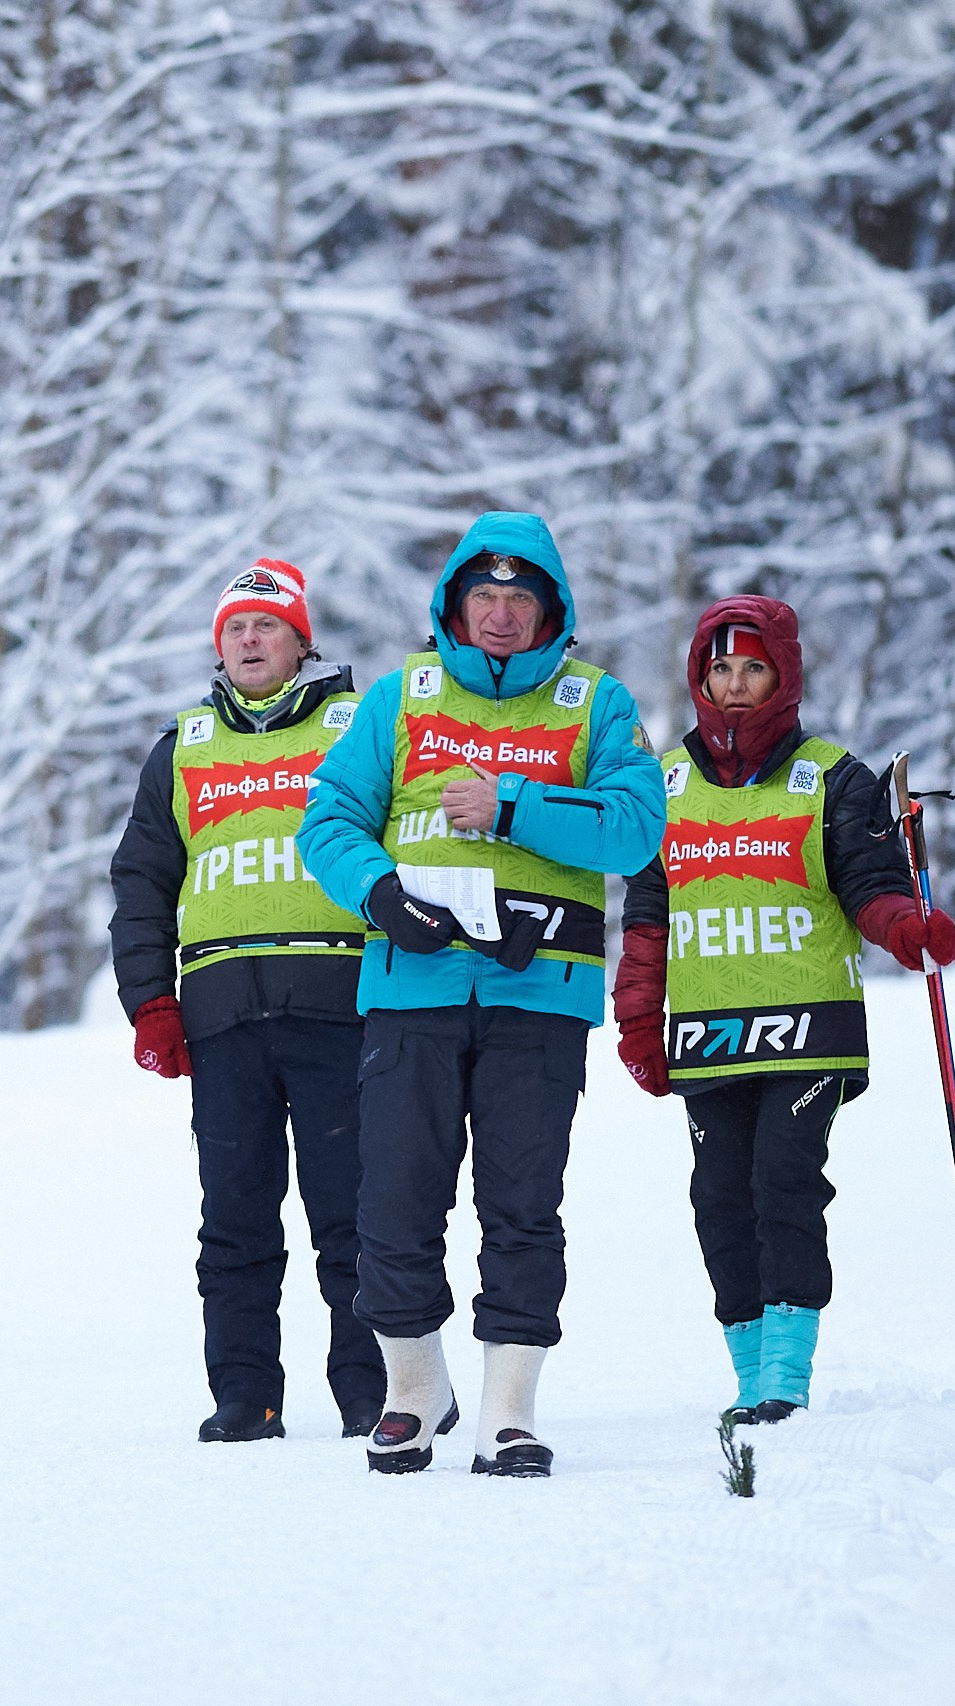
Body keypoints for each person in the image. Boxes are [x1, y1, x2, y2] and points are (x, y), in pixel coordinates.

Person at [298, 513, 665, 1476]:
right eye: (484, 597)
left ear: (552, 609)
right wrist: (378, 892)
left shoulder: (598, 702)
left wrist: (512, 803)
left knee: (522, 1205)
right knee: (394, 1201)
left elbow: (632, 830)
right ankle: (414, 1393)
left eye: (521, 598)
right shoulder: (401, 697)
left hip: (540, 993)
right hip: (409, 985)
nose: (501, 615)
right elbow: (328, 817)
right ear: (453, 605)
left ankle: (511, 1411)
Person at [611, 595, 955, 1426]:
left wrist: (909, 931)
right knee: (719, 1200)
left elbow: (871, 888)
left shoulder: (834, 776)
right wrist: (636, 1022)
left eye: (752, 669)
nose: (734, 686)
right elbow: (648, 922)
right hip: (707, 1035)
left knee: (783, 1184)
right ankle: (747, 1371)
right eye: (719, 669)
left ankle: (785, 1378)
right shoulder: (665, 784)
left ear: (784, 676)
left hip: (807, 1030)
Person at [110, 560, 385, 1443]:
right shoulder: (183, 745)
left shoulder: (360, 724)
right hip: (222, 1016)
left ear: (303, 640)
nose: (251, 640)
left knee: (353, 1214)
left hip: (341, 1003)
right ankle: (245, 1398)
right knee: (233, 1219)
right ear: (218, 645)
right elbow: (142, 883)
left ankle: (372, 1394)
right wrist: (151, 1001)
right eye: (236, 627)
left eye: (269, 625)